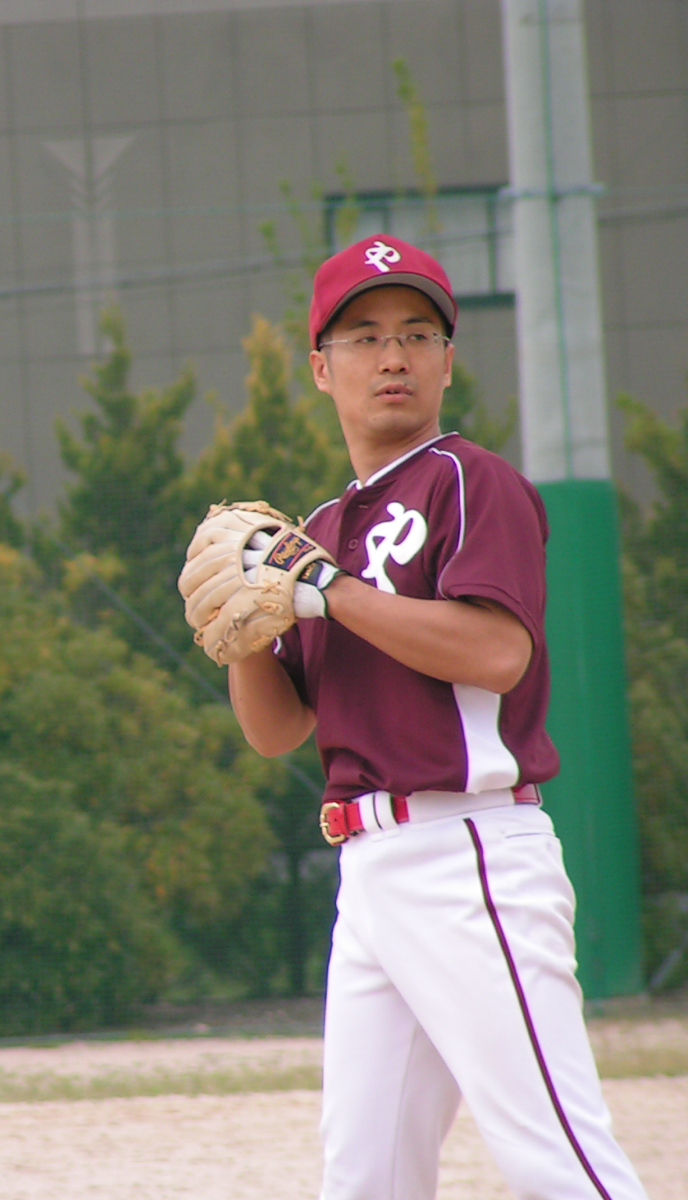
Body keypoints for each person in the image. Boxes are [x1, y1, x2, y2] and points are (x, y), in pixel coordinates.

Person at [221, 235, 649, 1199]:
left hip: (469, 854)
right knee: (364, 1179)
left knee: (559, 1161)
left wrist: (331, 592)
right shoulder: (321, 530)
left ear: (448, 362)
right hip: (369, 870)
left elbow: (497, 653)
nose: (395, 357)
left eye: (418, 334)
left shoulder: (469, 480)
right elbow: (278, 730)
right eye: (366, 336)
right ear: (322, 367)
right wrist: (241, 627)